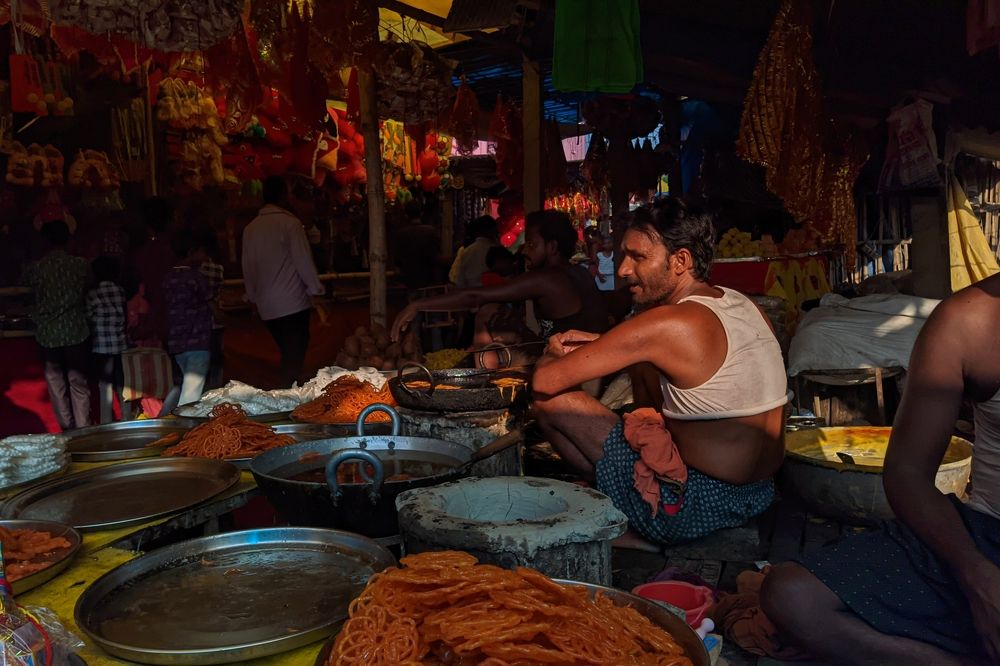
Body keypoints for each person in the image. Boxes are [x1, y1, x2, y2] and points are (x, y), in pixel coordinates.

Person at [760, 273, 1000, 665]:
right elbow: (906, 474)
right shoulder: (968, 321)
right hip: (984, 540)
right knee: (793, 596)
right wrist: (980, 579)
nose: (627, 271)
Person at [530, 199, 787, 545]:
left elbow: (546, 382)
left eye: (638, 257)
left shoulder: (665, 323)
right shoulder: (741, 303)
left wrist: (551, 353)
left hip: (693, 508)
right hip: (759, 494)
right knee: (641, 373)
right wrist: (610, 344)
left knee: (548, 401)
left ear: (680, 261)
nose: (622, 270)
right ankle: (630, 504)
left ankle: (641, 525)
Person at [392, 210, 610, 367]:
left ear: (552, 247)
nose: (525, 251)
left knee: (488, 313)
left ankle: (487, 392)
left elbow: (475, 296)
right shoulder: (578, 271)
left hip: (574, 365)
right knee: (496, 322)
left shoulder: (547, 278)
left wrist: (418, 305)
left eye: (532, 245)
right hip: (588, 360)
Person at [242, 176, 325, 387]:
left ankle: (289, 396)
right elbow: (303, 260)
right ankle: (291, 400)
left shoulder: (251, 228)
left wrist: (252, 296)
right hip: (292, 303)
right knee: (294, 358)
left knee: (288, 355)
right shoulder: (290, 224)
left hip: (267, 307)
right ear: (284, 196)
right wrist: (316, 289)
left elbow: (247, 266)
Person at [22, 220, 92, 430]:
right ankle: (84, 430)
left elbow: (24, 290)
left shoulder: (36, 268)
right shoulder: (80, 264)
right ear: (68, 239)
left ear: (44, 241)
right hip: (76, 332)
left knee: (56, 383)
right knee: (78, 384)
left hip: (48, 333)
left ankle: (67, 430)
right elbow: (89, 286)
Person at [159, 235, 214, 411]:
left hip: (176, 342)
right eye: (201, 252)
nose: (205, 256)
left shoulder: (168, 278)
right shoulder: (196, 277)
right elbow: (211, 304)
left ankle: (162, 420)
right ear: (191, 252)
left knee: (182, 386)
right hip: (197, 340)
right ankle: (182, 430)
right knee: (191, 394)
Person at [87, 255, 127, 424]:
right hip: (120, 344)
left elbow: (88, 317)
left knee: (105, 386)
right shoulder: (120, 291)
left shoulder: (92, 294)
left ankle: (106, 422)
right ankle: (127, 418)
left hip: (101, 346)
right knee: (123, 385)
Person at [196, 230, 226, 389]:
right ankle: (216, 391)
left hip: (197, 324)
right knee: (216, 361)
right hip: (215, 322)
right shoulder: (217, 269)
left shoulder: (192, 271)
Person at [393, 202, 442, 294]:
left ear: (406, 215)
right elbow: (436, 253)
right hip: (429, 274)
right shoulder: (431, 231)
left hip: (409, 274)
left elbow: (398, 257)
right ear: (421, 213)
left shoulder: (401, 233)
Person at [449, 216, 499, 289]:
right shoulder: (497, 250)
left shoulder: (466, 251)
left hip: (470, 292)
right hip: (494, 293)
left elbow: (458, 281)